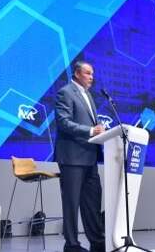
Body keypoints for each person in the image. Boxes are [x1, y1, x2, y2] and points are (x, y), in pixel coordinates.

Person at [55, 60, 106, 252]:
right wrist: (91, 131)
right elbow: (63, 122)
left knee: (92, 202)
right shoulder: (66, 92)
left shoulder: (88, 95)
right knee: (71, 203)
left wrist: (99, 131)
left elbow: (91, 123)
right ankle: (72, 245)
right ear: (77, 74)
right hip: (72, 158)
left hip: (90, 157)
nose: (92, 77)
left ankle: (97, 242)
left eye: (92, 73)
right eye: (88, 73)